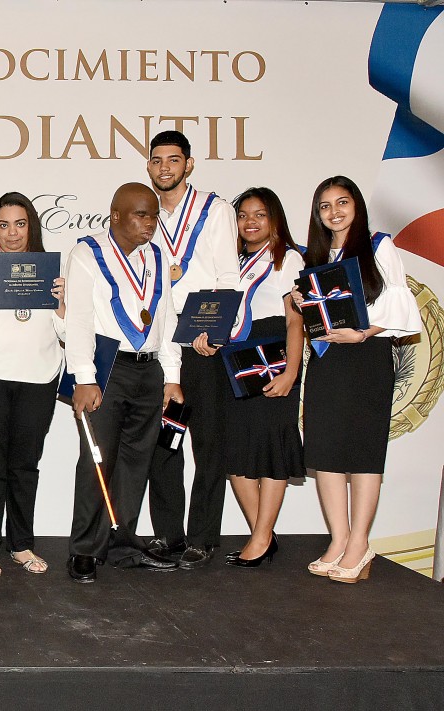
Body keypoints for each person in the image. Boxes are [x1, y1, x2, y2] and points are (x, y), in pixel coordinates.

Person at [291, 176, 421, 583]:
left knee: (362, 452)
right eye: (325, 206)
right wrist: (302, 302)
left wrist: (364, 332)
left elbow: (399, 303)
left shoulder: (379, 245)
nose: (335, 212)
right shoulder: (313, 257)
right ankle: (339, 539)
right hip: (329, 361)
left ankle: (361, 543)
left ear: (357, 205)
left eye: (342, 202)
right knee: (326, 451)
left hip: (367, 356)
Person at [64, 183, 183, 583]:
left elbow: (165, 319)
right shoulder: (88, 253)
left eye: (153, 215)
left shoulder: (157, 256)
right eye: (140, 215)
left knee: (136, 462)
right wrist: (84, 377)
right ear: (116, 215)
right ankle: (84, 549)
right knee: (99, 461)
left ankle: (124, 545)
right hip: (107, 368)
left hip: (148, 370)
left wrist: (172, 376)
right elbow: (79, 318)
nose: (150, 223)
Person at [143, 130, 240, 569]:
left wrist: (215, 332)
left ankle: (203, 536)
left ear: (189, 164)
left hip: (202, 344)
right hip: (164, 345)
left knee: (208, 444)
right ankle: (168, 534)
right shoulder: (143, 216)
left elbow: (227, 277)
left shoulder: (216, 210)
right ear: (149, 166)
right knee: (166, 443)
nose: (165, 167)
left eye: (174, 159)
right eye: (158, 160)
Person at [0, 192, 65, 577]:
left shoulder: (51, 267)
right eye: (3, 225)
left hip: (39, 376)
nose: (12, 233)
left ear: (31, 226)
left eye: (20, 224)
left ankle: (21, 545)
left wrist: (61, 305)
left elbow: (67, 330)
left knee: (25, 465)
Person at [219, 188, 306, 568]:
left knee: (272, 450)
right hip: (236, 358)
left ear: (275, 219)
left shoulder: (288, 258)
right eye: (243, 215)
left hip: (274, 357)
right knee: (235, 453)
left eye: (260, 214)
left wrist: (291, 371)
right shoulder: (230, 260)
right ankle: (263, 535)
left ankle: (259, 539)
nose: (250, 222)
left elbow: (295, 319)